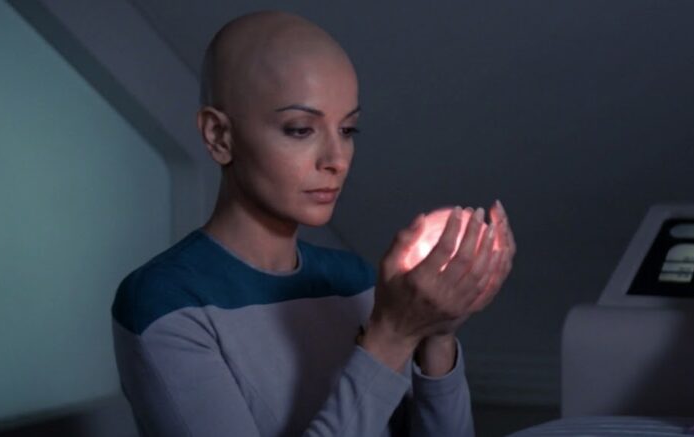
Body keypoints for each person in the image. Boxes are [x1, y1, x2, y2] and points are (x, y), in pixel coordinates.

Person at [112, 10, 515, 437]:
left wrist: (438, 335)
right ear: (218, 136)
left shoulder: (356, 281)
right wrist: (392, 336)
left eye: (348, 130)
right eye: (301, 129)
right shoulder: (164, 303)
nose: (336, 160)